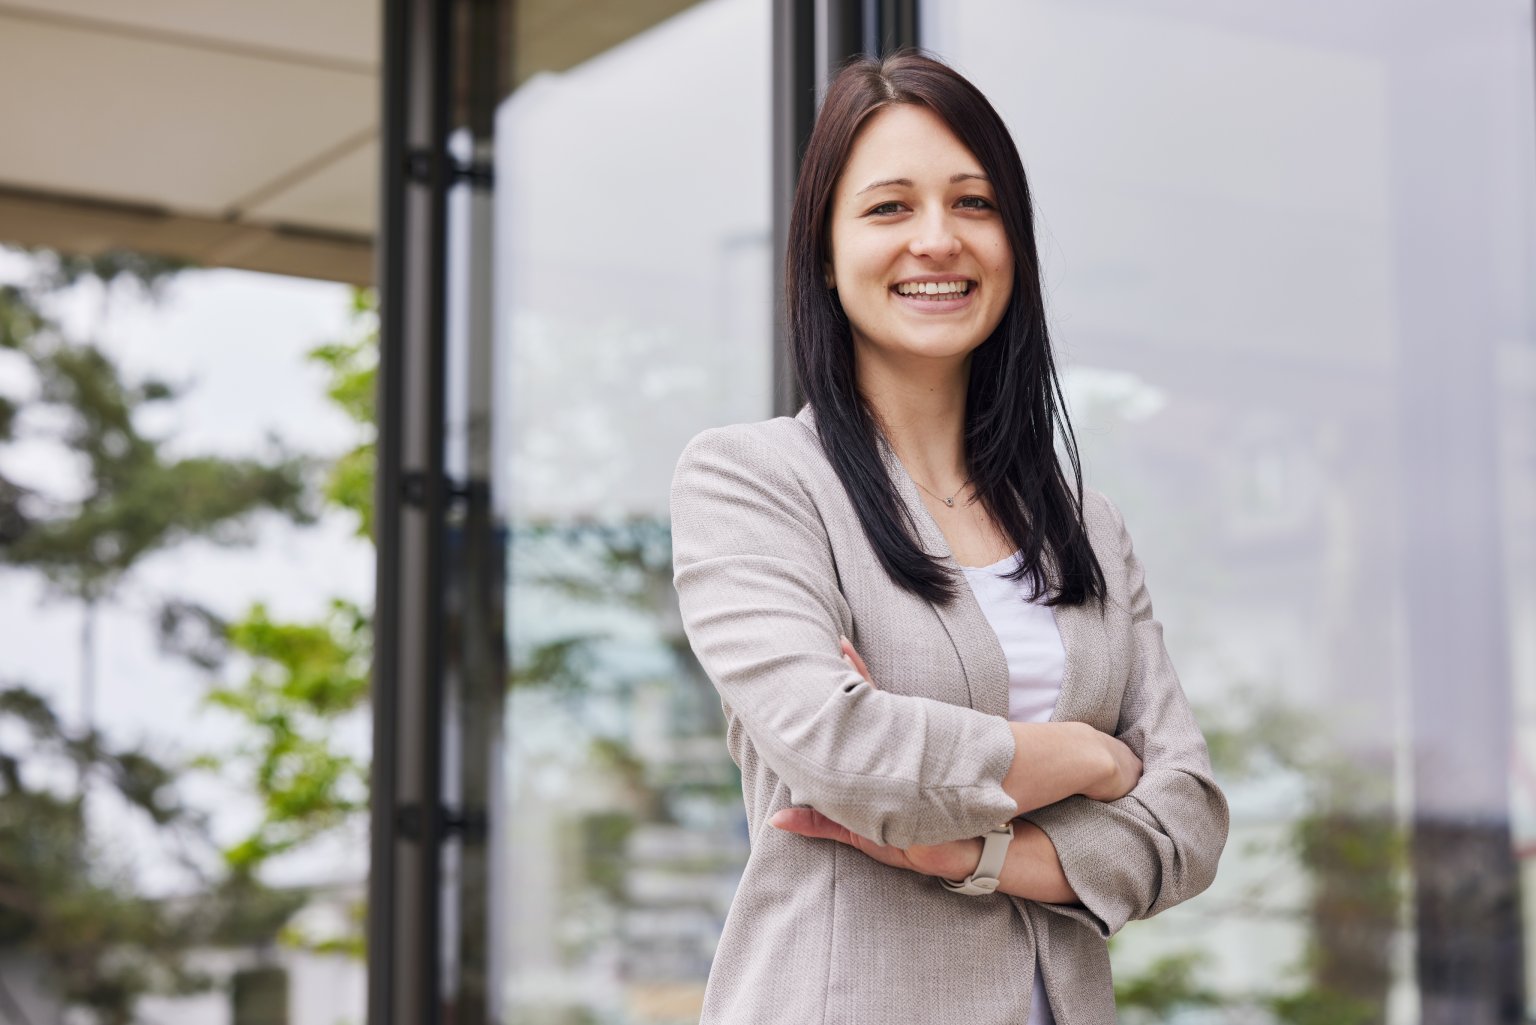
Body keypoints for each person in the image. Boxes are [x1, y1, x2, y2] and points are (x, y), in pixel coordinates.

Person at [669, 50, 1228, 1025]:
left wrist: (971, 849)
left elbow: (1188, 818)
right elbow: (847, 753)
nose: (937, 239)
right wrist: (1095, 760)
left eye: (974, 203)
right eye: (889, 208)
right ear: (824, 253)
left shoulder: (1085, 523)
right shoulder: (755, 481)